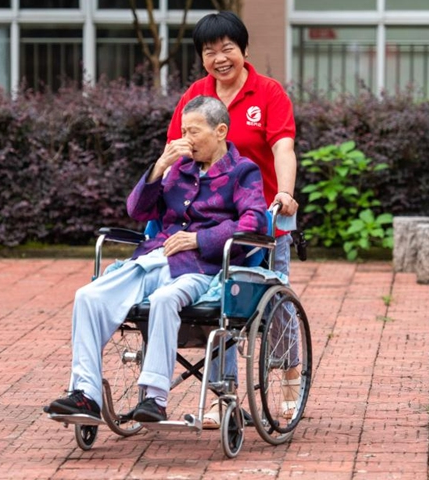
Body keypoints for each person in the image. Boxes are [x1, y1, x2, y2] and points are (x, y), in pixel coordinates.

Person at [46, 96, 267, 423]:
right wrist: (160, 167)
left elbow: (254, 222)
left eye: (194, 131)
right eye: (182, 131)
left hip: (199, 268)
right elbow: (137, 210)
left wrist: (199, 239)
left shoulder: (243, 172)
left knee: (165, 300)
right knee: (88, 296)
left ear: (220, 131)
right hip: (153, 260)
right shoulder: (179, 169)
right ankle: (85, 394)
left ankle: (154, 397)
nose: (185, 139)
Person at [165, 11, 301, 428]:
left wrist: (284, 192)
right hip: (209, 220)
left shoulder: (268, 92)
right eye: (210, 51)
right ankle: (223, 396)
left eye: (227, 48)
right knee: (219, 305)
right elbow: (175, 149)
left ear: (243, 50)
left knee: (273, 300)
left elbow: (282, 147)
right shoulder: (197, 94)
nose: (220, 58)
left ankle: (291, 377)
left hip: (260, 218)